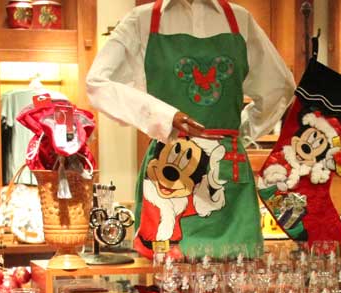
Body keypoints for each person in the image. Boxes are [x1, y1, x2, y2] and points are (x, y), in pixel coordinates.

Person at [86, 0, 294, 259]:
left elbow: (280, 86)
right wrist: (164, 117)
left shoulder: (240, 20)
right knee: (171, 276)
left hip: (223, 172)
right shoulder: (140, 21)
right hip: (170, 172)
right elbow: (97, 83)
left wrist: (240, 132)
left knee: (235, 282)